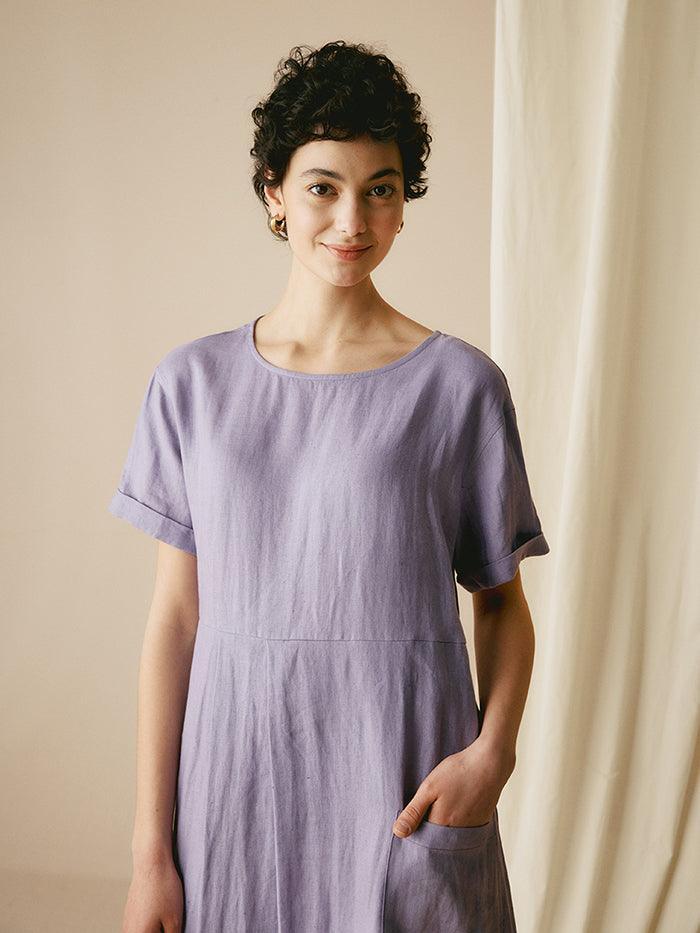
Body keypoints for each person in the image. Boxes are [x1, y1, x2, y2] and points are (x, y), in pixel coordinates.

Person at [110, 39, 550, 933]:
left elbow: (502, 602)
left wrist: (493, 756)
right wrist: (151, 854)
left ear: (403, 201)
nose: (352, 219)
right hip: (235, 798)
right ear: (274, 192)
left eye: (380, 189)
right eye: (323, 186)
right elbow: (176, 621)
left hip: (407, 785)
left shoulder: (460, 387)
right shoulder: (190, 385)